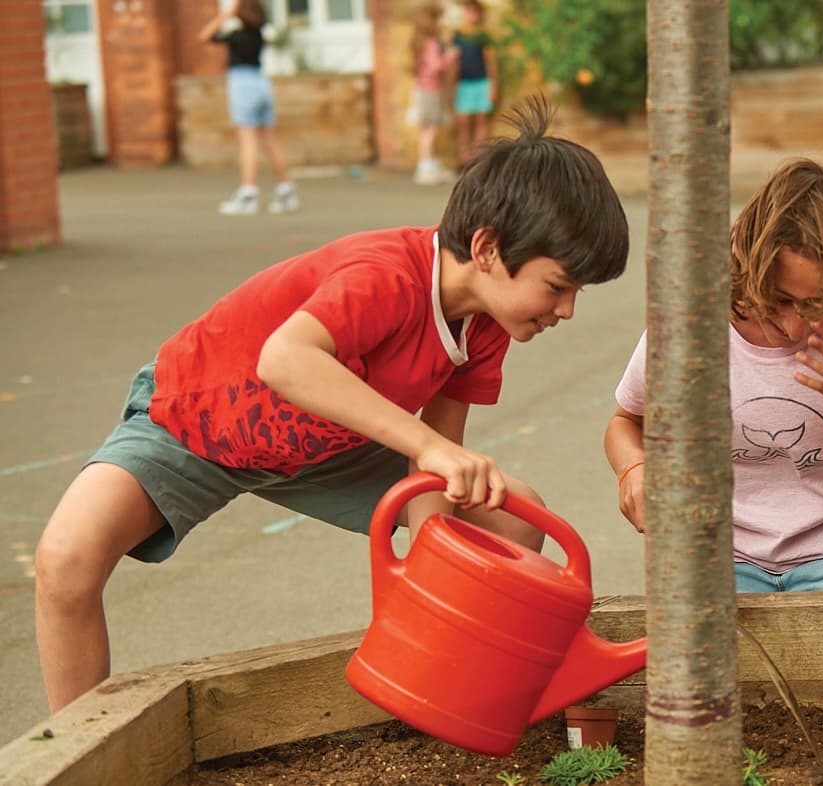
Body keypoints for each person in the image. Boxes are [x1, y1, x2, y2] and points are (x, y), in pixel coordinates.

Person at [32, 99, 630, 714]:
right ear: (486, 249)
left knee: (515, 516)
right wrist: (428, 447)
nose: (566, 310)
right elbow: (284, 360)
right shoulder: (386, 275)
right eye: (558, 287)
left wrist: (432, 574)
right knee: (65, 560)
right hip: (201, 421)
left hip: (325, 447)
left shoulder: (484, 325)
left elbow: (433, 471)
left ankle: (446, 692)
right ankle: (79, 752)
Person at [603, 159, 823, 592]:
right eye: (778, 301)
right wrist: (634, 469)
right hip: (718, 549)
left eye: (819, 306)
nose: (793, 328)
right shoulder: (695, 316)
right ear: (748, 268)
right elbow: (626, 422)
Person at [199, 0, 298, 216]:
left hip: (243, 84)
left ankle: (248, 194)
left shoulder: (236, 36)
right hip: (262, 83)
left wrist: (226, 15)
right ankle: (286, 191)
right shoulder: (259, 34)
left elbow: (205, 36)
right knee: (270, 140)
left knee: (248, 141)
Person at [450, 0, 497, 171]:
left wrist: (493, 85)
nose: (471, 15)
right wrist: (453, 86)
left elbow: (490, 61)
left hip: (481, 82)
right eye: (468, 11)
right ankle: (464, 158)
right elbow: (455, 62)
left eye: (474, 11)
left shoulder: (483, 36)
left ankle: (479, 158)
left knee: (481, 120)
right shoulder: (458, 35)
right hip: (464, 83)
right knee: (463, 122)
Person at [410, 2, 451, 185]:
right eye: (438, 20)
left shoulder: (420, 42)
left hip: (423, 89)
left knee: (426, 130)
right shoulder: (432, 43)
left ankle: (428, 164)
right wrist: (449, 57)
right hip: (431, 90)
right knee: (430, 130)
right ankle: (425, 167)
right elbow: (435, 67)